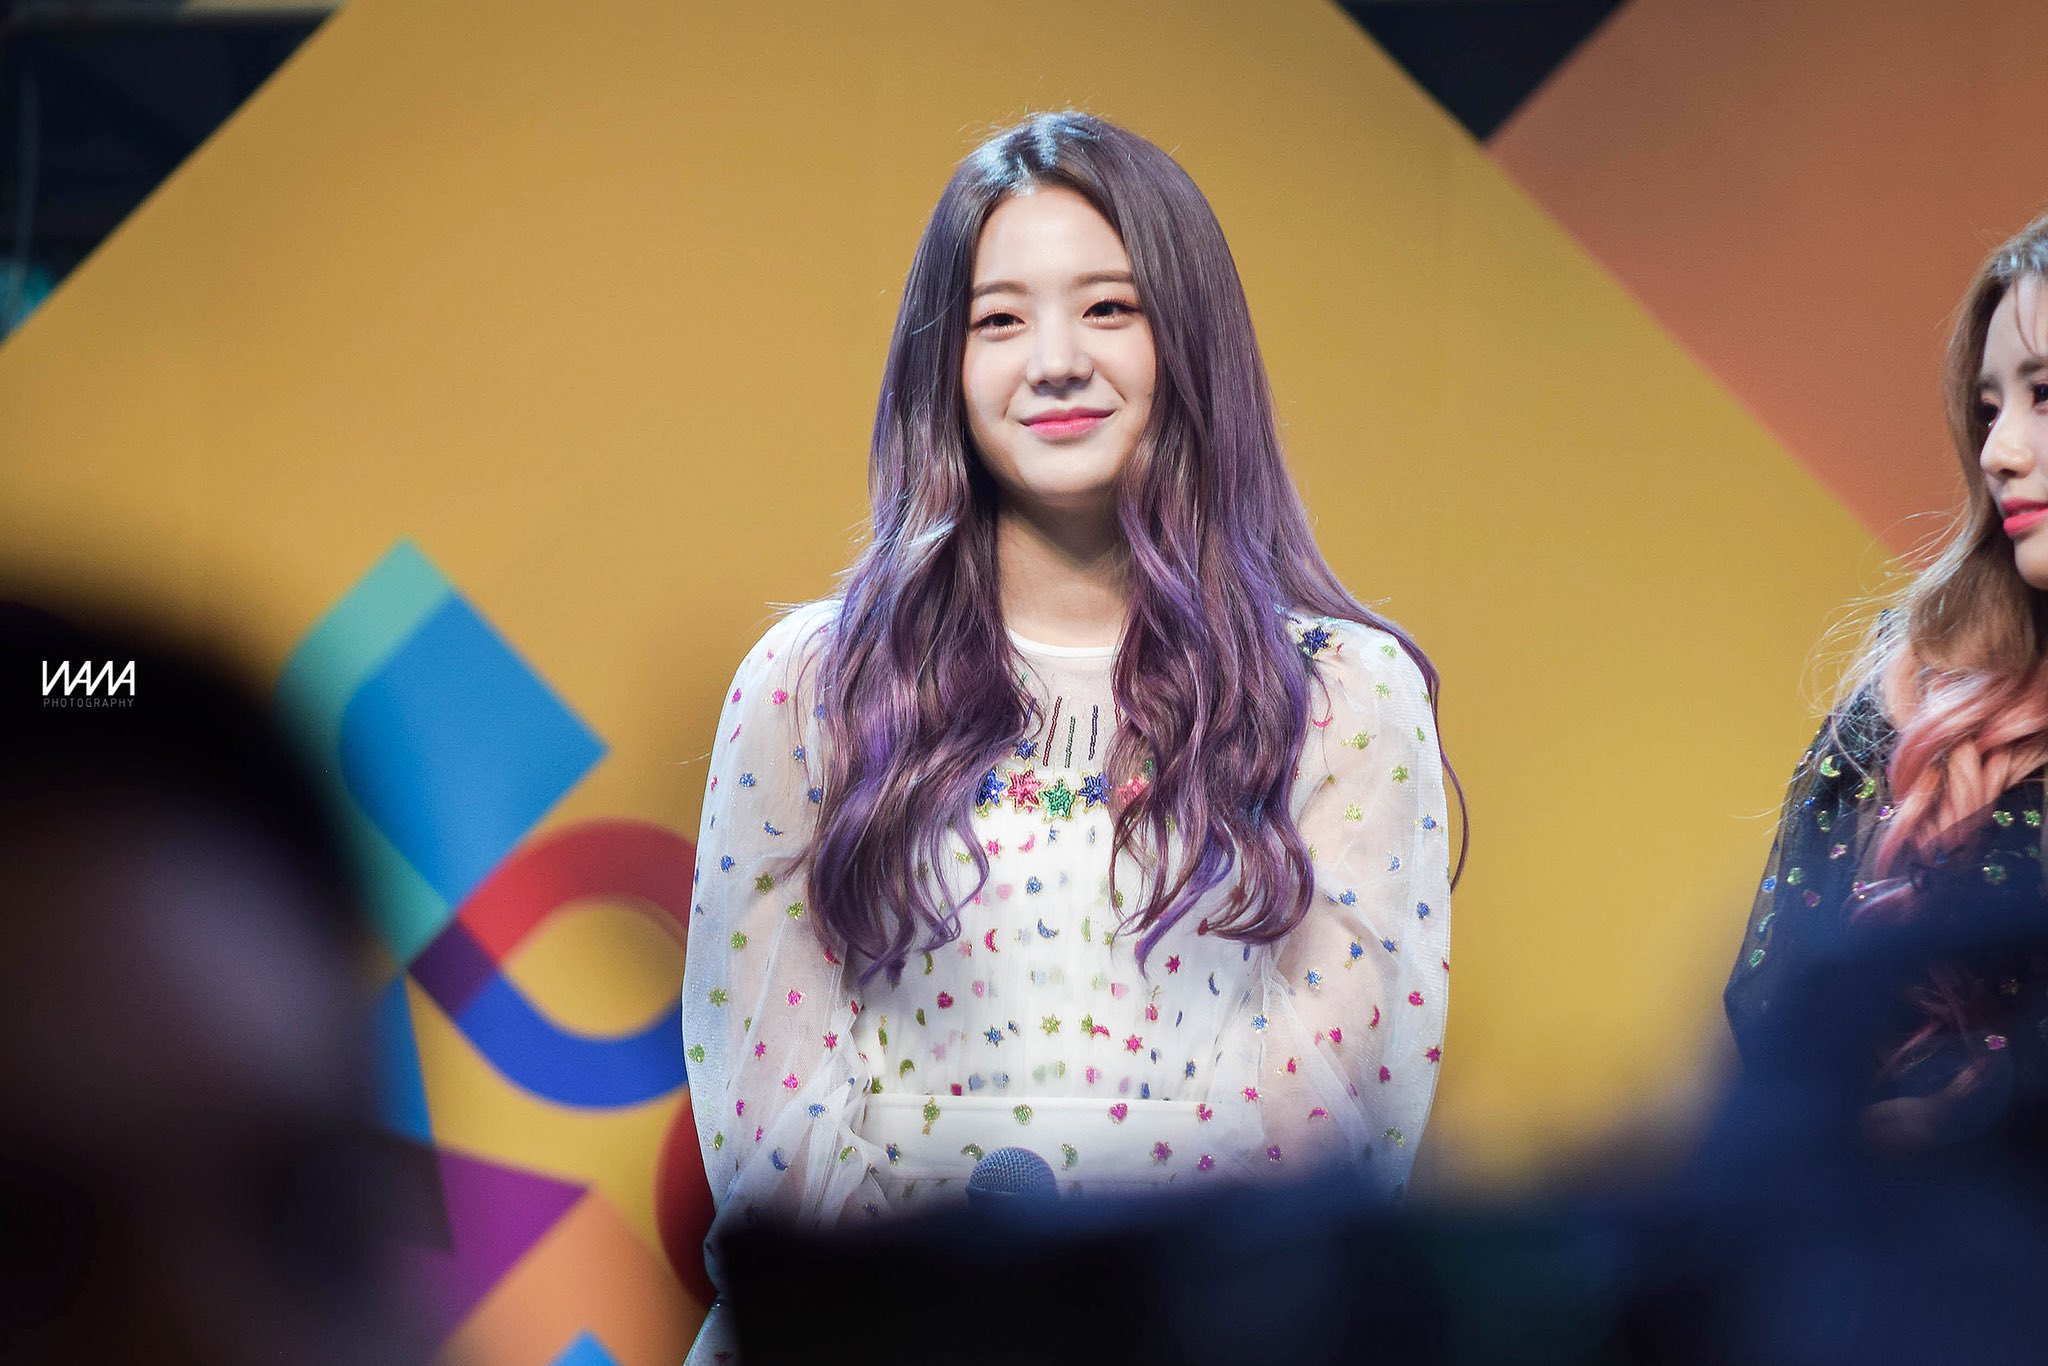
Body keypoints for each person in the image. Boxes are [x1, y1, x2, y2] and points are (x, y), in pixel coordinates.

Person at [682, 110, 1460, 1355]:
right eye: (998, 320)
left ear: (1189, 339)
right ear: (941, 365)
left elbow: (1337, 1131)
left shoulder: (1340, 697)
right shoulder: (810, 685)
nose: (1053, 362)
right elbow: (770, 1132)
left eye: (1107, 309)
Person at [1725, 210, 2048, 1153]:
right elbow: (1786, 1017)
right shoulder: (1918, 686)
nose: (1998, 451)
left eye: (2045, 395)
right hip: (1913, 1231)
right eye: (1988, 409)